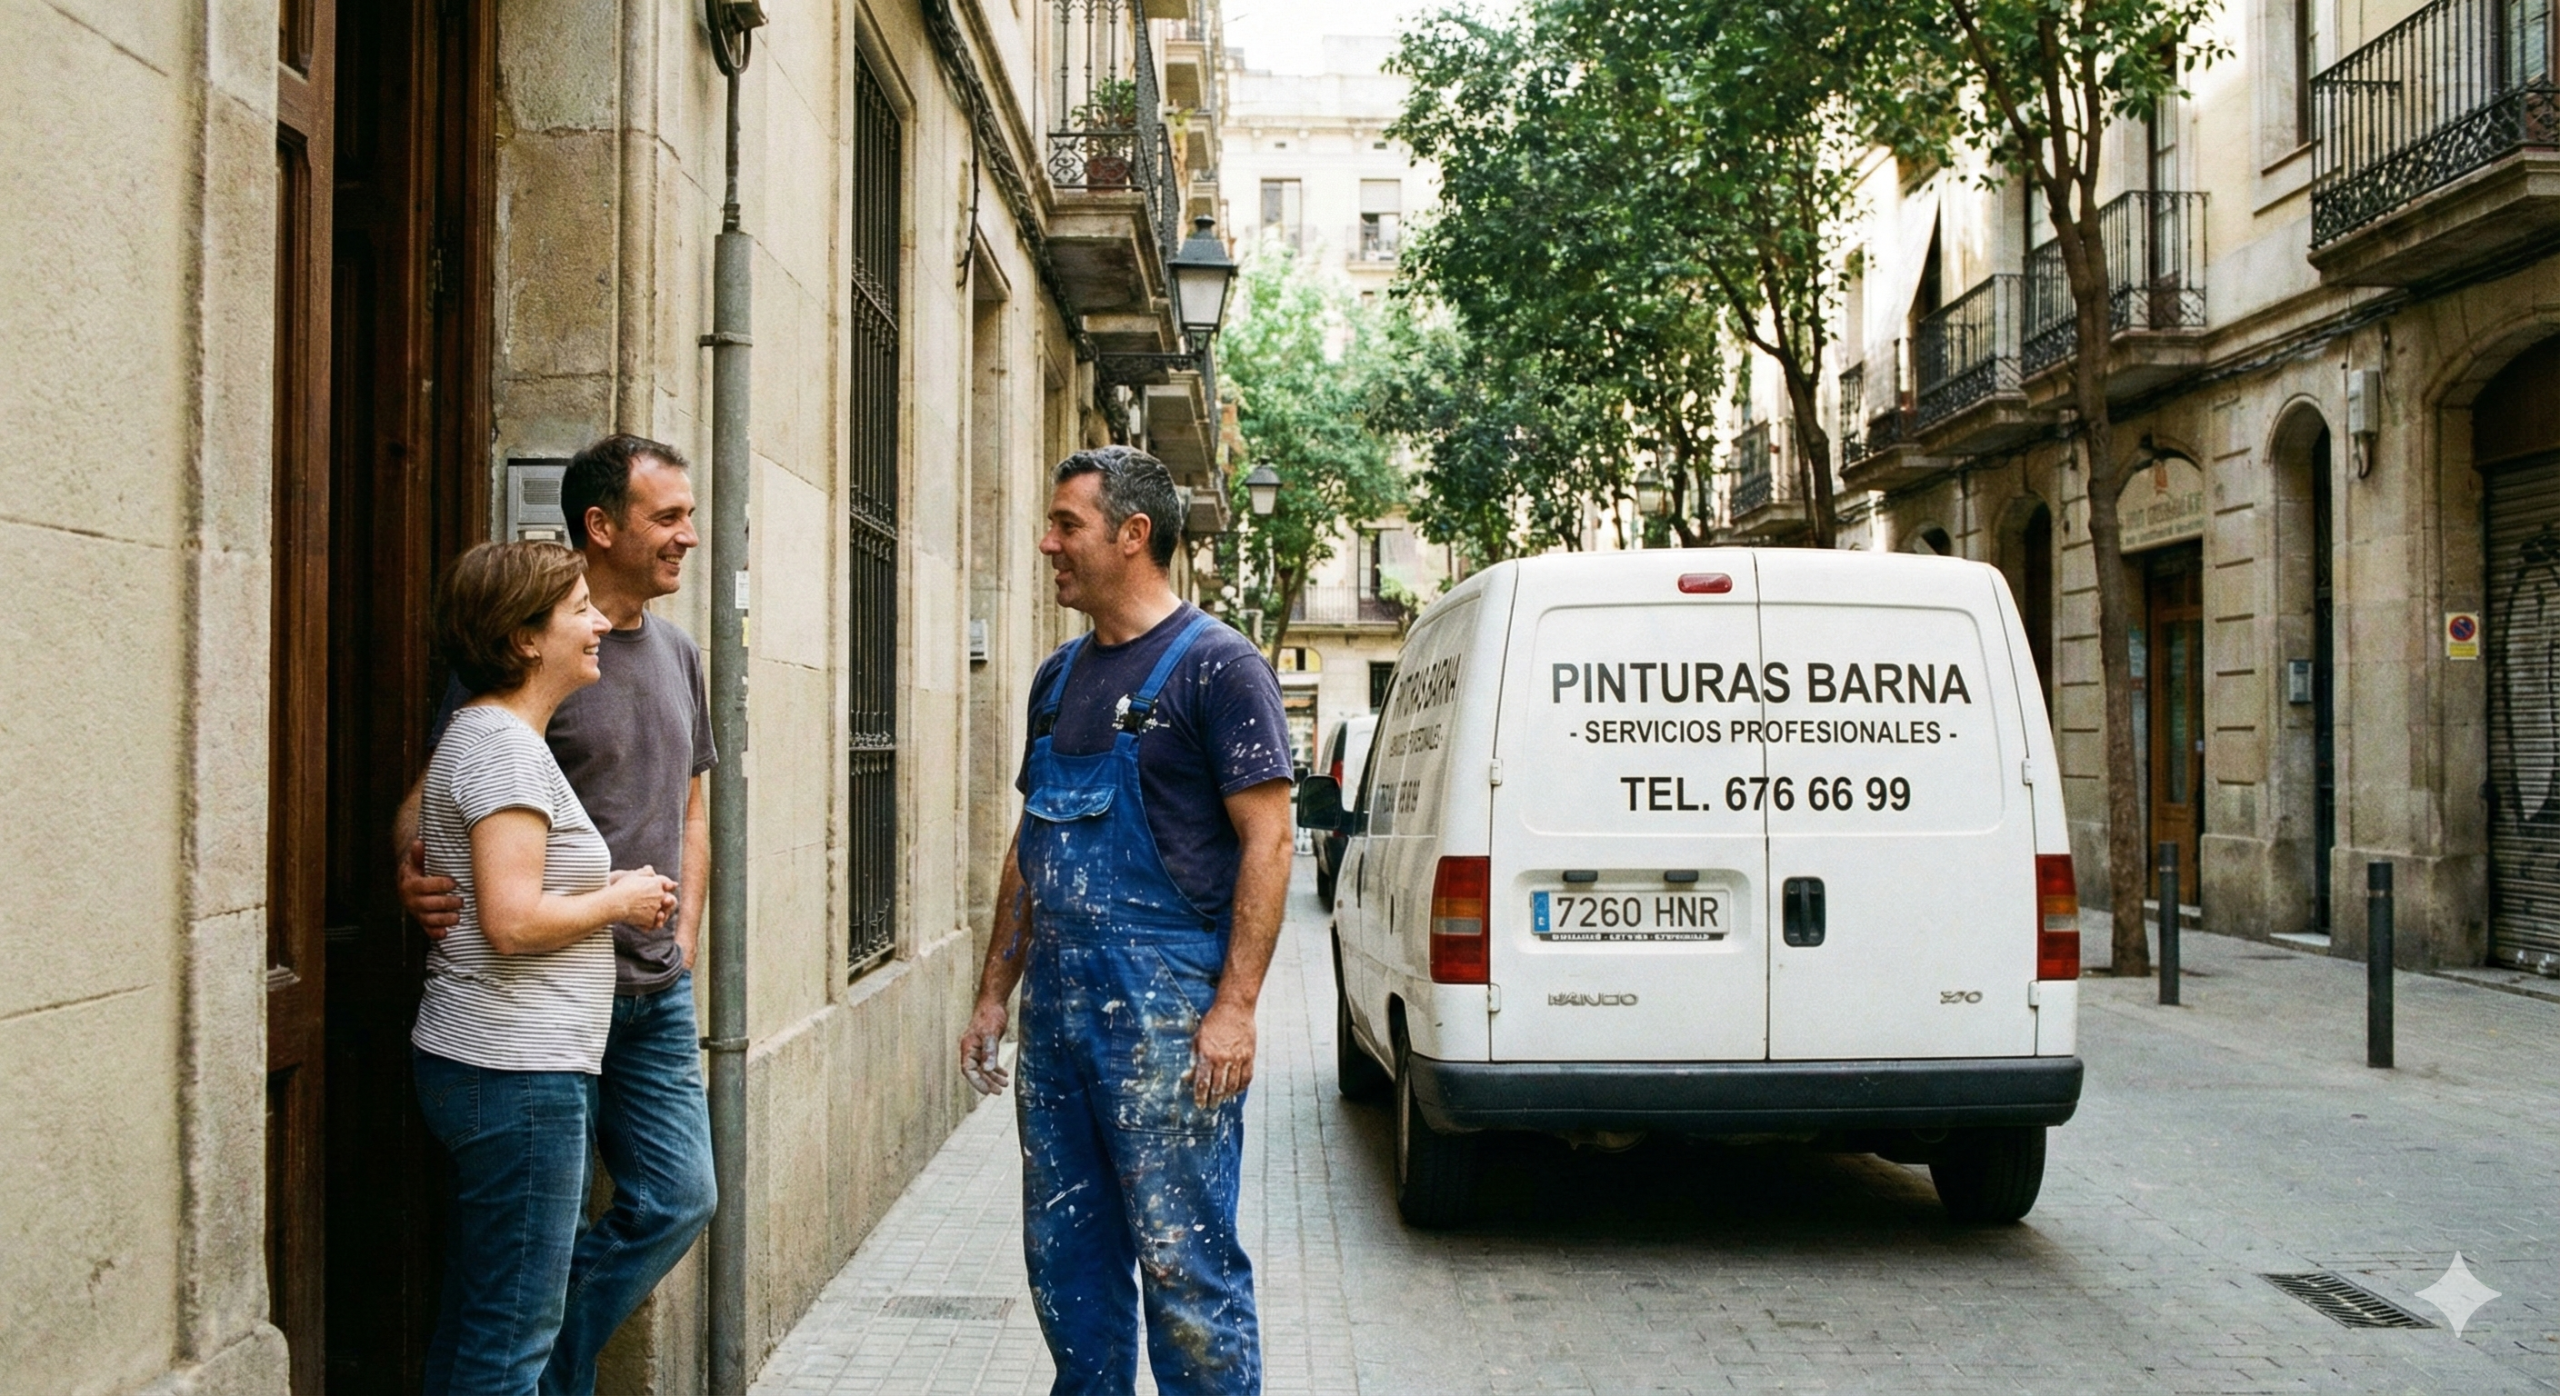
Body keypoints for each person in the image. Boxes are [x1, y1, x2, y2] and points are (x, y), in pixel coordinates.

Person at [958, 446, 1296, 1394]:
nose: (1047, 543)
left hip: (1166, 1017)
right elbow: (1031, 847)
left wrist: (1235, 1008)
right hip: (1060, 1019)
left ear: (1133, 535)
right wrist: (994, 996)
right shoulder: (1059, 680)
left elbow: (1270, 842)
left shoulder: (1220, 669)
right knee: (1066, 1265)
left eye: (1067, 525)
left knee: (1186, 1270)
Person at [396, 434, 720, 1396]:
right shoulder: (518, 674)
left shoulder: (676, 652)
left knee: (677, 1200)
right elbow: (439, 797)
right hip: (532, 1012)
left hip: (646, 992)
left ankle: (544, 1363)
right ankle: (534, 1369)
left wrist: (682, 934)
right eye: (668, 518)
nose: (688, 537)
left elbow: (694, 810)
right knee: (511, 1294)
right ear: (600, 526)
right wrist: (410, 871)